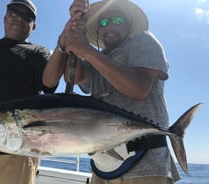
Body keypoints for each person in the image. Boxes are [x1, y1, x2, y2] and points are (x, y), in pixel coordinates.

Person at [43, 0, 181, 183]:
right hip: (103, 167)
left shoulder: (143, 41)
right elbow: (74, 78)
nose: (109, 26)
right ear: (98, 31)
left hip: (145, 166)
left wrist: (87, 51)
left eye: (117, 20)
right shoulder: (96, 60)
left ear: (129, 24)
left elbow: (139, 88)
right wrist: (73, 31)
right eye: (103, 23)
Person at [0, 0, 65, 183]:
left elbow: (49, 83)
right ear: (4, 18)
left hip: (14, 153)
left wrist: (62, 45)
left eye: (27, 16)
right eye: (13, 12)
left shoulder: (37, 51)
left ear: (33, 26)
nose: (18, 18)